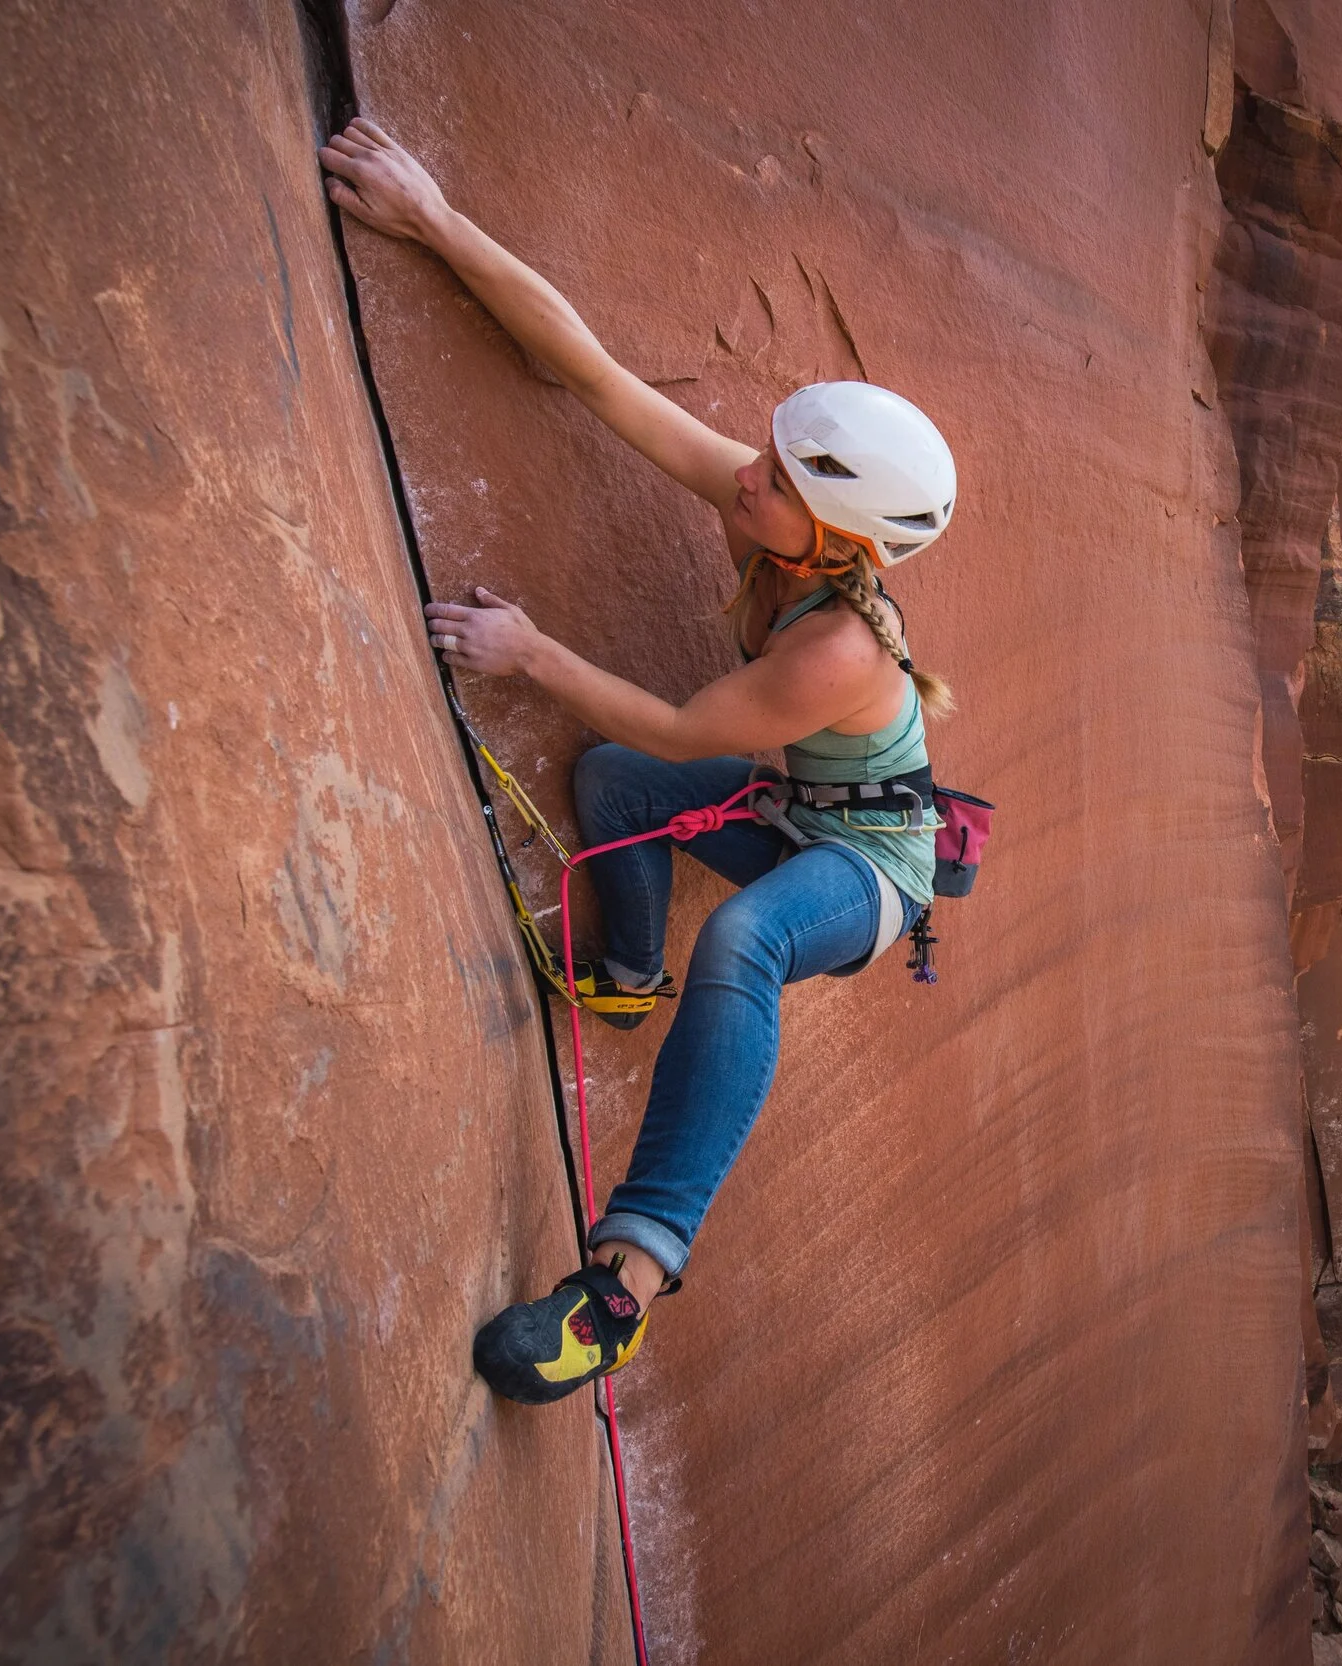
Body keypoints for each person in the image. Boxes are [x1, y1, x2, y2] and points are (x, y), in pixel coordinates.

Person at [319, 118, 957, 1404]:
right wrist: (433, 219)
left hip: (873, 868)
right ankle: (621, 980)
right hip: (797, 809)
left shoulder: (837, 643)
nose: (747, 476)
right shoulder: (783, 526)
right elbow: (600, 379)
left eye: (777, 480)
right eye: (766, 462)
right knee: (611, 783)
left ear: (836, 537)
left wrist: (530, 650)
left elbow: (686, 729)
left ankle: (625, 1284)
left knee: (747, 943)